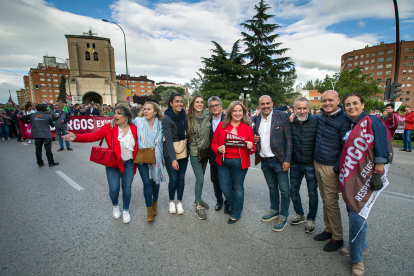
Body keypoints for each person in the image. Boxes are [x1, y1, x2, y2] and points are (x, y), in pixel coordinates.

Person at [339, 93, 390, 276]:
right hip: (351, 178)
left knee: (357, 217)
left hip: (366, 178)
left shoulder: (372, 121)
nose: (351, 107)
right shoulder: (352, 124)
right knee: (353, 214)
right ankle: (360, 247)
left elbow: (383, 148)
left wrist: (378, 173)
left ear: (363, 104)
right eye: (347, 104)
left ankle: (357, 260)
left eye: (355, 103)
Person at [62, 106, 138, 223]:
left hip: (128, 164)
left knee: (127, 188)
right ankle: (115, 206)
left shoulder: (134, 128)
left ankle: (125, 210)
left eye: (119, 114)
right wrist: (76, 137)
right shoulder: (109, 127)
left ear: (127, 116)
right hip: (113, 163)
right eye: (115, 113)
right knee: (114, 189)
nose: (115, 116)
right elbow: (93, 136)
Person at [312, 90, 352, 252]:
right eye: (324, 101)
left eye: (330, 100)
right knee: (325, 199)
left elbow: (346, 147)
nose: (326, 103)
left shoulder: (344, 120)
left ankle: (337, 237)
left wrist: (337, 167)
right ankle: (328, 230)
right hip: (318, 162)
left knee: (331, 202)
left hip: (330, 167)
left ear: (338, 101)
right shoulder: (322, 116)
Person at [252, 95, 292, 231]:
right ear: (259, 105)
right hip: (264, 159)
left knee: (285, 189)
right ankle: (274, 209)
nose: (265, 106)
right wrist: (254, 139)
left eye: (267, 103)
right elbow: (254, 135)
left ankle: (283, 215)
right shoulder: (256, 118)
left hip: (279, 159)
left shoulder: (282, 116)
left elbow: (289, 139)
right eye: (262, 104)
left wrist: (287, 159)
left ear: (272, 103)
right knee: (272, 187)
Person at [211, 101, 256, 224]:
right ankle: (232, 203)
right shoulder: (221, 126)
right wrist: (218, 149)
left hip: (239, 163)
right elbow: (213, 143)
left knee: (238, 188)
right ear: (230, 112)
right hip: (223, 162)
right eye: (235, 111)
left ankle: (236, 213)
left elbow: (252, 150)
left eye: (240, 111)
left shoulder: (247, 128)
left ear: (243, 113)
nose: (237, 113)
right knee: (225, 188)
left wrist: (251, 146)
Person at [289, 97, 319, 234]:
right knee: (293, 190)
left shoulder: (316, 120)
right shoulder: (290, 121)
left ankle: (311, 218)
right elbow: (274, 111)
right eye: (298, 108)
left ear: (309, 109)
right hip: (295, 163)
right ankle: (299, 214)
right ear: (294, 109)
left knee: (312, 193)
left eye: (304, 108)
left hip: (310, 164)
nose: (302, 111)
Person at [133, 102, 165, 222]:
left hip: (157, 158)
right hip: (142, 157)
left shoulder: (161, 123)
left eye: (149, 109)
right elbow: (125, 126)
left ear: (155, 111)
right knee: (147, 183)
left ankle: (155, 204)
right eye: (144, 109)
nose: (145, 111)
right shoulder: (138, 121)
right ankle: (149, 211)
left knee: (155, 183)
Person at [162, 93, 189, 215]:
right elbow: (168, 140)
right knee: (173, 178)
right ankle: (171, 201)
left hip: (183, 151)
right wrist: (173, 159)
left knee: (181, 178)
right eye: (177, 101)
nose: (180, 104)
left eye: (181, 101)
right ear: (171, 103)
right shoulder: (167, 118)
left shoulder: (184, 116)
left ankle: (179, 202)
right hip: (171, 153)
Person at [187, 95, 211, 220]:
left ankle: (198, 198)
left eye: (201, 102)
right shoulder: (188, 118)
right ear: (193, 103)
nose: (200, 104)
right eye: (197, 102)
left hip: (206, 152)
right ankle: (198, 207)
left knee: (201, 178)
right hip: (195, 153)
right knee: (200, 178)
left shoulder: (208, 115)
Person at [208, 96, 230, 213]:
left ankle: (228, 203)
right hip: (213, 155)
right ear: (209, 109)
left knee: (226, 180)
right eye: (212, 106)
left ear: (221, 106)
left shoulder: (229, 118)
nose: (215, 107)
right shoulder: (207, 120)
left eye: (217, 105)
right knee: (215, 180)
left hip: (227, 155)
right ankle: (219, 201)